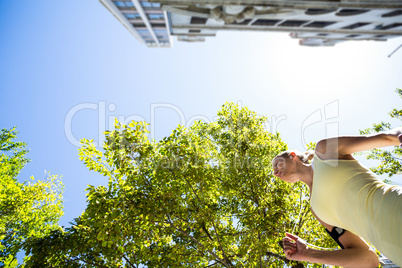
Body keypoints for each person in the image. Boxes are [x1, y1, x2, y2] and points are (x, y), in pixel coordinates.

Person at [272, 128, 402, 267]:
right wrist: (307, 254)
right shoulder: (316, 209)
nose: (274, 172)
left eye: (277, 163)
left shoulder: (323, 152)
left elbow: (388, 137)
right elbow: (368, 260)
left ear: (292, 155)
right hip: (395, 251)